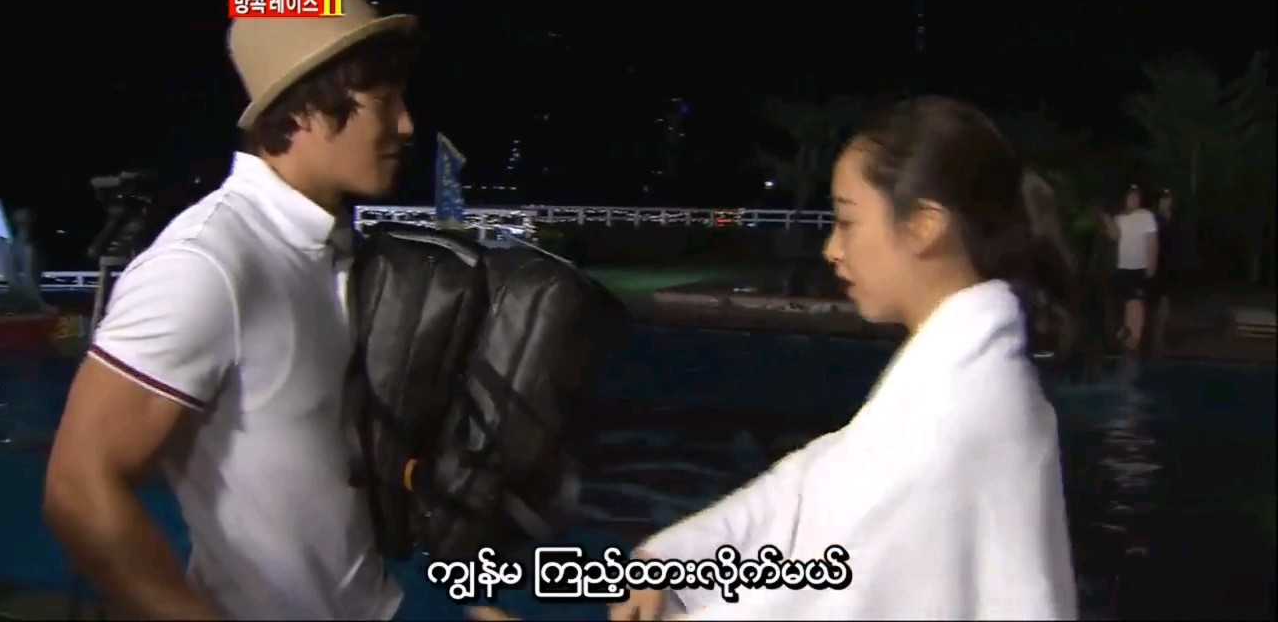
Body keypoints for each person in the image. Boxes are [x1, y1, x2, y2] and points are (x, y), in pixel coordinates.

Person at [476, 96, 1080, 621]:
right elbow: (805, 490)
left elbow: (841, 599)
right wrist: (672, 564)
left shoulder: (957, 416)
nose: (832, 248)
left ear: (924, 226)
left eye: (847, 221)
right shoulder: (957, 384)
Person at [43, 0, 418, 619]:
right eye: (382, 101)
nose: (406, 124)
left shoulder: (332, 249)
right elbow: (79, 488)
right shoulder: (206, 262)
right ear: (302, 111)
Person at [1100, 185, 1158, 353]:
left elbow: (1152, 240)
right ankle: (1127, 335)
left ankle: (1135, 337)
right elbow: (1114, 236)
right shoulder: (1120, 217)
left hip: (1139, 265)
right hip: (1123, 265)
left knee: (1136, 302)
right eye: (1131, 196)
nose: (1133, 200)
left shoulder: (1146, 216)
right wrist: (1106, 219)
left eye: (1136, 197)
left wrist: (1152, 263)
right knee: (1126, 301)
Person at [1147, 188, 1181, 356]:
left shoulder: (1173, 221)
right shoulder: (1155, 221)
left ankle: (1157, 340)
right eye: (1163, 199)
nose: (1165, 202)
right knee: (1157, 306)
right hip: (1156, 267)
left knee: (1164, 305)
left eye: (1168, 198)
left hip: (1168, 268)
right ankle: (1154, 341)